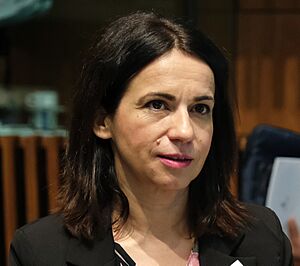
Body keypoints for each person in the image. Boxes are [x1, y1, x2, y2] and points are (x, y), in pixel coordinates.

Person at [10, 11, 292, 265]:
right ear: (102, 121)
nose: (184, 131)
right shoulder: (42, 252)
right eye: (157, 105)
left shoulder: (262, 237)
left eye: (200, 109)